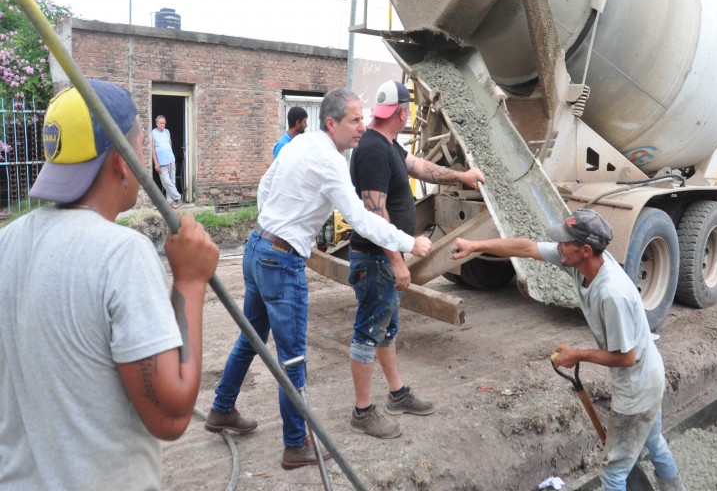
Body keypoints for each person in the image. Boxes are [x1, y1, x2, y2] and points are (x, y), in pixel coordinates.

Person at [0, 80, 220, 489]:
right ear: (123, 162)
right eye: (141, 146)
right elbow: (170, 415)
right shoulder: (121, 253)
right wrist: (190, 282)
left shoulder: (7, 241)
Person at [205, 87, 433, 470]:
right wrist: (412, 242)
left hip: (258, 245)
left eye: (363, 118)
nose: (363, 127)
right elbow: (361, 219)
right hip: (280, 259)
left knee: (252, 337)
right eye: (355, 120)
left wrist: (276, 222)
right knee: (292, 357)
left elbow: (265, 184)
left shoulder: (300, 143)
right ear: (332, 123)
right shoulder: (329, 161)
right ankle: (296, 444)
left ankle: (221, 408)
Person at [450, 209, 685, 491]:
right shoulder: (580, 263)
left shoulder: (612, 293)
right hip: (649, 374)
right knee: (654, 442)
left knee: (613, 472)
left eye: (565, 242)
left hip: (637, 389)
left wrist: (577, 354)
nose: (559, 247)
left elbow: (626, 357)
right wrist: (475, 246)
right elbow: (527, 247)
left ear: (585, 250)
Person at [347, 80, 485, 438]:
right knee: (367, 332)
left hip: (382, 260)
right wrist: (397, 260)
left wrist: (462, 176)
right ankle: (362, 412)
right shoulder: (373, 151)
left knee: (385, 329)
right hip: (376, 259)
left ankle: (397, 393)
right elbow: (374, 212)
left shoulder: (387, 144)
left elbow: (421, 167)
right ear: (404, 112)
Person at [152, 114, 182, 208]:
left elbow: (170, 143)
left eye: (164, 123)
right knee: (166, 181)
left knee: (172, 181)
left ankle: (170, 201)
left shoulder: (167, 131)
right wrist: (156, 162)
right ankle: (178, 197)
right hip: (161, 162)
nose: (162, 125)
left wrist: (168, 152)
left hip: (171, 159)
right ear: (156, 123)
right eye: (161, 123)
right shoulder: (152, 133)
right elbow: (152, 148)